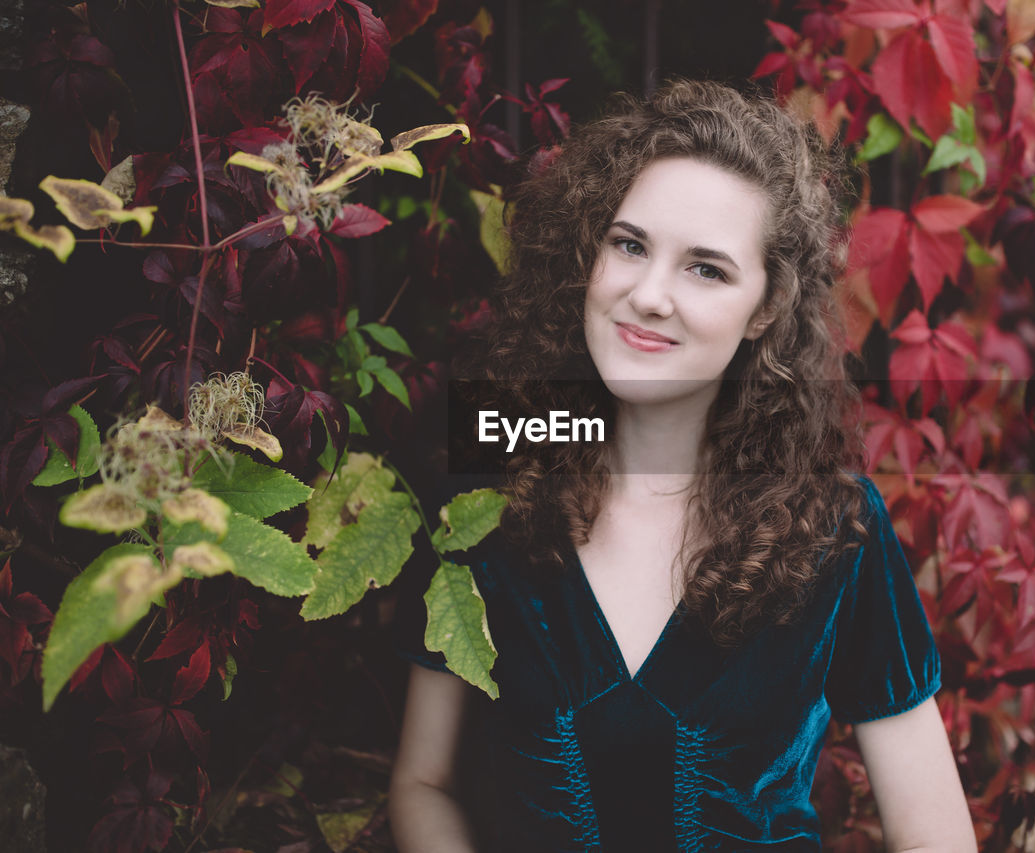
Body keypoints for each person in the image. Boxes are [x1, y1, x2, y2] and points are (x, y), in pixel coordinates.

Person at [389, 79, 976, 852]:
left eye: (707, 268)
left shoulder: (839, 532)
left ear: (765, 308)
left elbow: (934, 838)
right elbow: (421, 783)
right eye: (629, 245)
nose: (650, 295)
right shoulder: (485, 500)